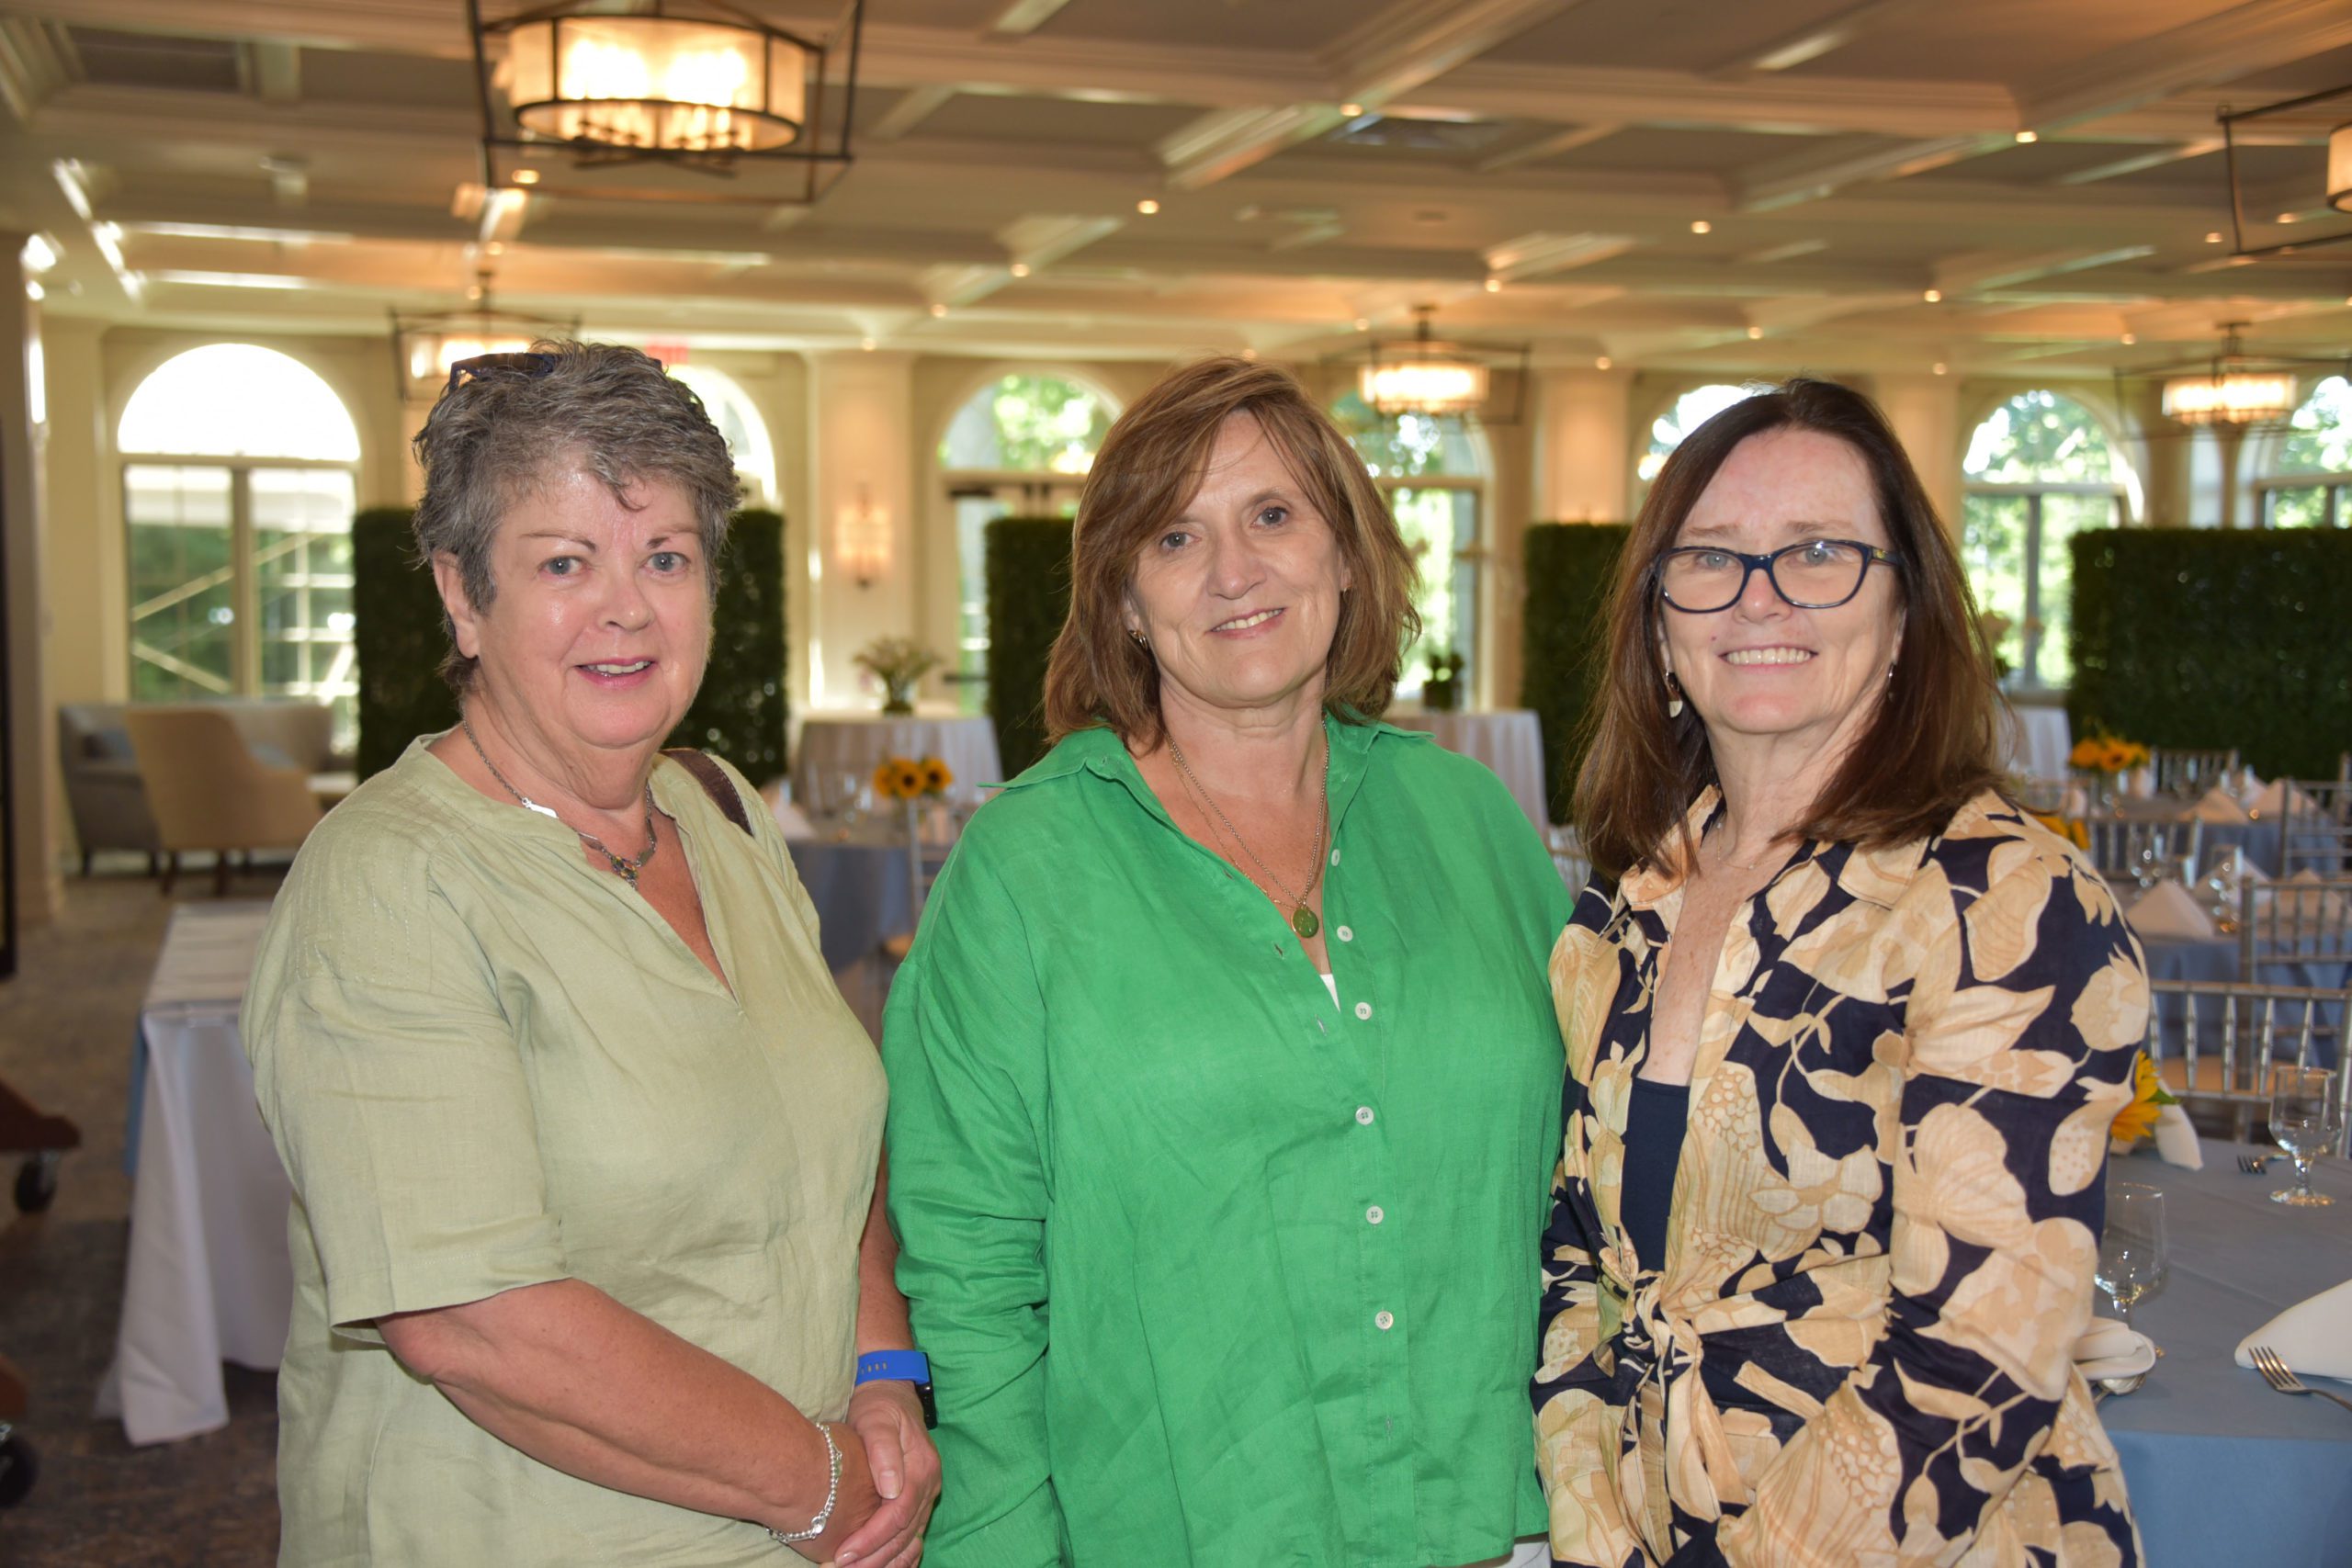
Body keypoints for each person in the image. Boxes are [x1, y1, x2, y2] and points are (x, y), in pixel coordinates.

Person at [243, 342, 939, 1566]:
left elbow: (835, 1144)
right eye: (564, 562)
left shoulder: (722, 812)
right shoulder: (390, 884)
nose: (627, 608)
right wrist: (818, 1480)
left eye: (665, 557)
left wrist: (884, 1372)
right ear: (463, 597)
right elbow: (474, 1323)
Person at [882, 357, 1570, 1566]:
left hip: (1507, 1525)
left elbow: (1592, 1181)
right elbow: (967, 1271)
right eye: (1175, 537)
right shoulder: (1025, 869)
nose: (1234, 571)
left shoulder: (1472, 823)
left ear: (1345, 554)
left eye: (1273, 515)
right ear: (1124, 600)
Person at [1532, 378, 2145, 1564]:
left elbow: (1976, 1363)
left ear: (1906, 611)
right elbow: (1576, 1267)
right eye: (1710, 557)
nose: (1758, 596)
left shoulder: (2003, 901)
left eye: (1818, 552)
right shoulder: (1627, 901)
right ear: (1660, 625)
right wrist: (1596, 1529)